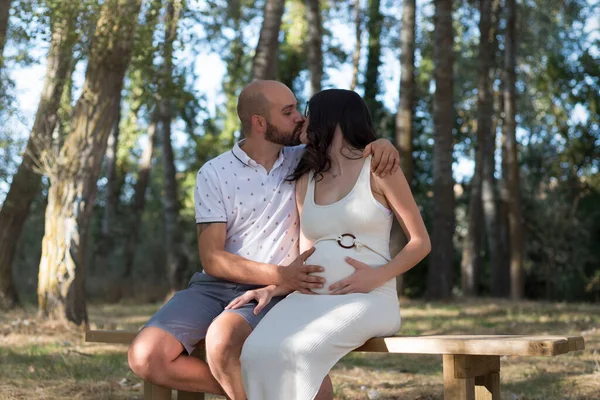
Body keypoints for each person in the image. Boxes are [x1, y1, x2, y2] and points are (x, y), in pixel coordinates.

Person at [127, 81, 400, 400]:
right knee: (145, 357)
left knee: (225, 340)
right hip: (216, 286)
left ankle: (273, 390)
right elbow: (213, 259)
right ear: (259, 122)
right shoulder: (215, 173)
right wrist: (279, 275)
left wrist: (383, 143)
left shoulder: (307, 160)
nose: (300, 117)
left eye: (298, 108)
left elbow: (351, 145)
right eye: (288, 112)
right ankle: (272, 392)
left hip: (279, 292)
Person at [232, 89, 431, 400]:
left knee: (299, 350)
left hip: (369, 298)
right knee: (255, 352)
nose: (303, 120)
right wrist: (276, 287)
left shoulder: (379, 169)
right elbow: (306, 255)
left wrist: (377, 277)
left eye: (309, 113)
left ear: (329, 119)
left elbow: (420, 242)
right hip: (311, 297)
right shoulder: (306, 178)